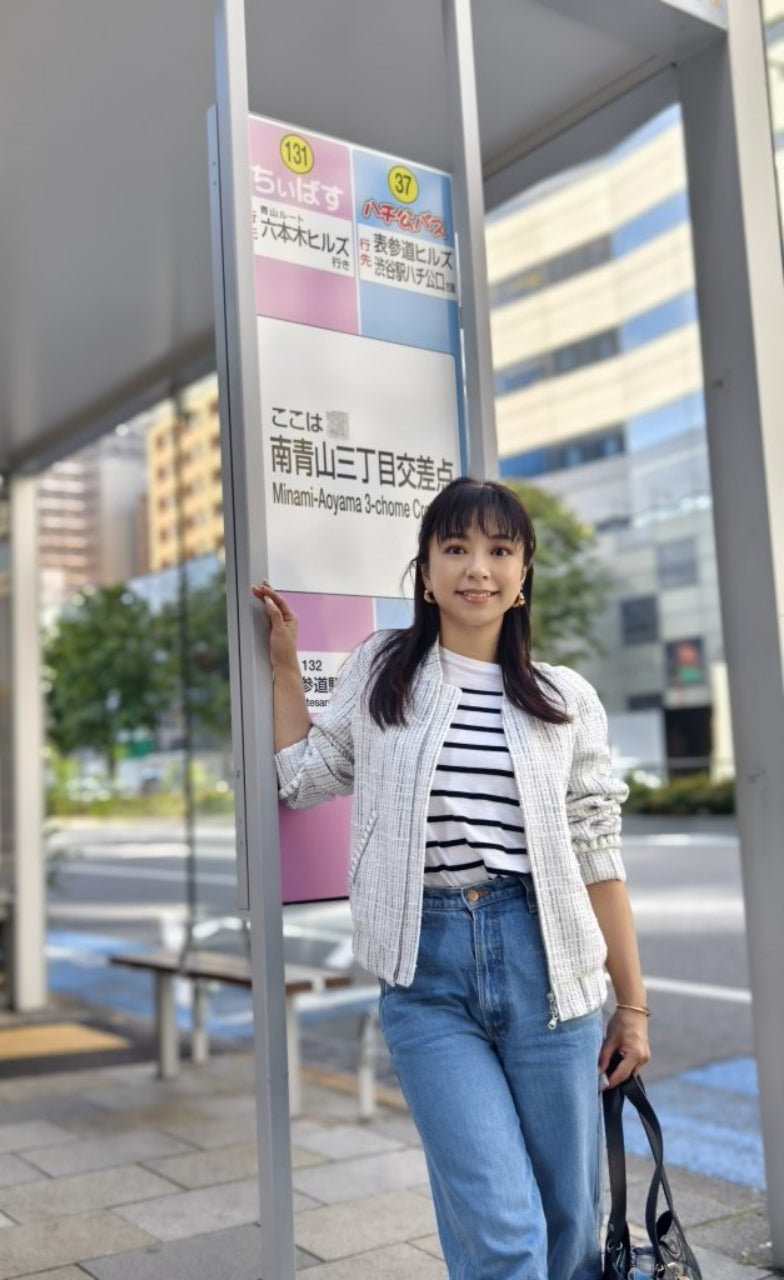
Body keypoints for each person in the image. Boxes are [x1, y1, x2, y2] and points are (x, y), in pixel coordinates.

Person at [252, 476, 650, 1280]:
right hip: (426, 979)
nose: (479, 568)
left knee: (570, 1225)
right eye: (456, 549)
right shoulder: (381, 671)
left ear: (524, 571)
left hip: (550, 970)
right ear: (426, 573)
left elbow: (598, 858)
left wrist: (632, 1007)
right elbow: (304, 777)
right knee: (503, 1231)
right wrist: (285, 668)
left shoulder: (566, 699)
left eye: (500, 551)